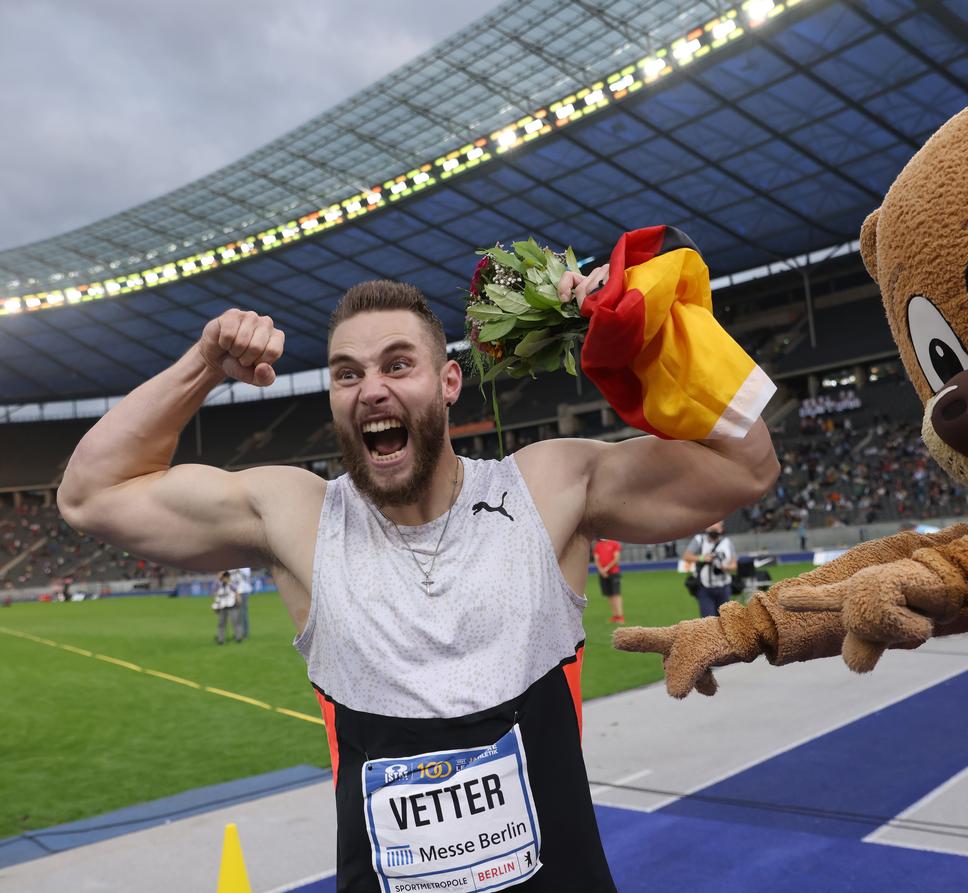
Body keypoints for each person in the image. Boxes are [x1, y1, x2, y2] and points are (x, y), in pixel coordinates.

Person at [56, 277, 778, 893]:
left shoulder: (548, 486)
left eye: (398, 364)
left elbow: (747, 466)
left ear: (448, 382)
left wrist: (650, 327)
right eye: (346, 373)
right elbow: (90, 494)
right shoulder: (298, 515)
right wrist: (206, 364)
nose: (371, 388)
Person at [682, 521, 736, 618]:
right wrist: (703, 558)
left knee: (725, 620)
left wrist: (726, 567)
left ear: (721, 529)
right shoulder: (699, 540)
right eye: (711, 529)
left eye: (716, 529)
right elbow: (686, 556)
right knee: (708, 622)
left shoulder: (727, 543)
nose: (714, 532)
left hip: (724, 587)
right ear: (706, 529)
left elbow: (734, 565)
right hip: (704, 587)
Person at [591, 538, 623, 623]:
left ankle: (620, 616)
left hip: (613, 572)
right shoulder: (598, 545)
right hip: (603, 573)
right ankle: (615, 615)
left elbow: (616, 558)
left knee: (616, 594)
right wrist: (601, 570)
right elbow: (596, 559)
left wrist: (606, 568)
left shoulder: (614, 543)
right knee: (608, 594)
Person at [211, 570, 242, 644]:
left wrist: (239, 601)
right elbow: (213, 592)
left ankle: (238, 637)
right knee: (221, 623)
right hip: (222, 606)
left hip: (232, 605)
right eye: (223, 577)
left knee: (235, 622)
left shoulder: (231, 585)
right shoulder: (219, 585)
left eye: (226, 577)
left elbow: (237, 592)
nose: (225, 579)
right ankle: (221, 639)